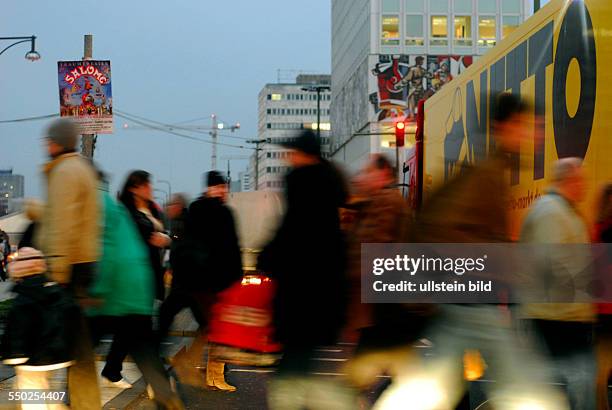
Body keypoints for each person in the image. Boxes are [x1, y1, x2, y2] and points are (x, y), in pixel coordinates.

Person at [373, 94, 567, 409]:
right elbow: (440, 229)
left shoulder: (493, 171)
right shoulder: (486, 175)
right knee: (526, 388)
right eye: (528, 125)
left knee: (435, 385)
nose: (536, 134)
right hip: (474, 301)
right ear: (505, 127)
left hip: (466, 301)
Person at [258, 130, 355, 409]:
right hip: (324, 287)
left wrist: (268, 257)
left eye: (293, 152)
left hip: (300, 287)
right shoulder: (331, 183)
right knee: (302, 354)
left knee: (295, 358)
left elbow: (291, 231)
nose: (289, 157)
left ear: (304, 153)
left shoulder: (302, 184)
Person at [88, 173, 184, 409]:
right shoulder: (122, 211)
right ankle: (163, 393)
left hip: (120, 290)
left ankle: (79, 394)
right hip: (137, 288)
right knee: (141, 344)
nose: (150, 188)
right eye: (147, 184)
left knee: (84, 344)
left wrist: (97, 290)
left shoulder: (110, 211)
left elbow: (111, 254)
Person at [519, 157, 596, 409]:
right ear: (569, 180)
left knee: (571, 384)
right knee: (571, 383)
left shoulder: (565, 211)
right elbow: (550, 264)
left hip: (566, 316)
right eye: (581, 179)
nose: (584, 185)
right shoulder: (551, 212)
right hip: (554, 317)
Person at [35, 118, 101, 409]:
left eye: (48, 141)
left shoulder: (64, 171)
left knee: (67, 342)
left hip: (69, 266)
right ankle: (82, 401)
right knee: (79, 343)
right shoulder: (82, 169)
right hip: (85, 262)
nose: (46, 146)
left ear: (57, 142)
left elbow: (62, 223)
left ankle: (80, 402)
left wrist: (58, 270)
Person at [171, 171, 243, 391]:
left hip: (218, 279)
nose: (223, 191)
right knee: (217, 327)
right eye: (218, 187)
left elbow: (233, 247)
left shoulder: (218, 210)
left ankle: (192, 363)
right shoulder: (203, 210)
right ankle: (212, 373)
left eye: (224, 187)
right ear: (210, 189)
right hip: (208, 280)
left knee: (212, 327)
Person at [1, 247, 80, 410]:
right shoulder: (53, 290)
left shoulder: (23, 298)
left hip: (31, 359)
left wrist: (15, 356)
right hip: (54, 355)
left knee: (31, 394)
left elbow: (17, 331)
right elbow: (69, 315)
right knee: (43, 388)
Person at [118, 170, 171, 301]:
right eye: (145, 185)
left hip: (155, 270)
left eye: (149, 184)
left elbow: (168, 235)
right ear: (133, 189)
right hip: (137, 273)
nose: (150, 188)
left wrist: (167, 240)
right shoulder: (128, 212)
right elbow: (142, 234)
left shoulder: (153, 210)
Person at [595, 184, 612, 409]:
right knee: (601, 369)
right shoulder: (600, 230)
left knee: (601, 368)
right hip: (605, 312)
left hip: (603, 311)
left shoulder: (597, 229)